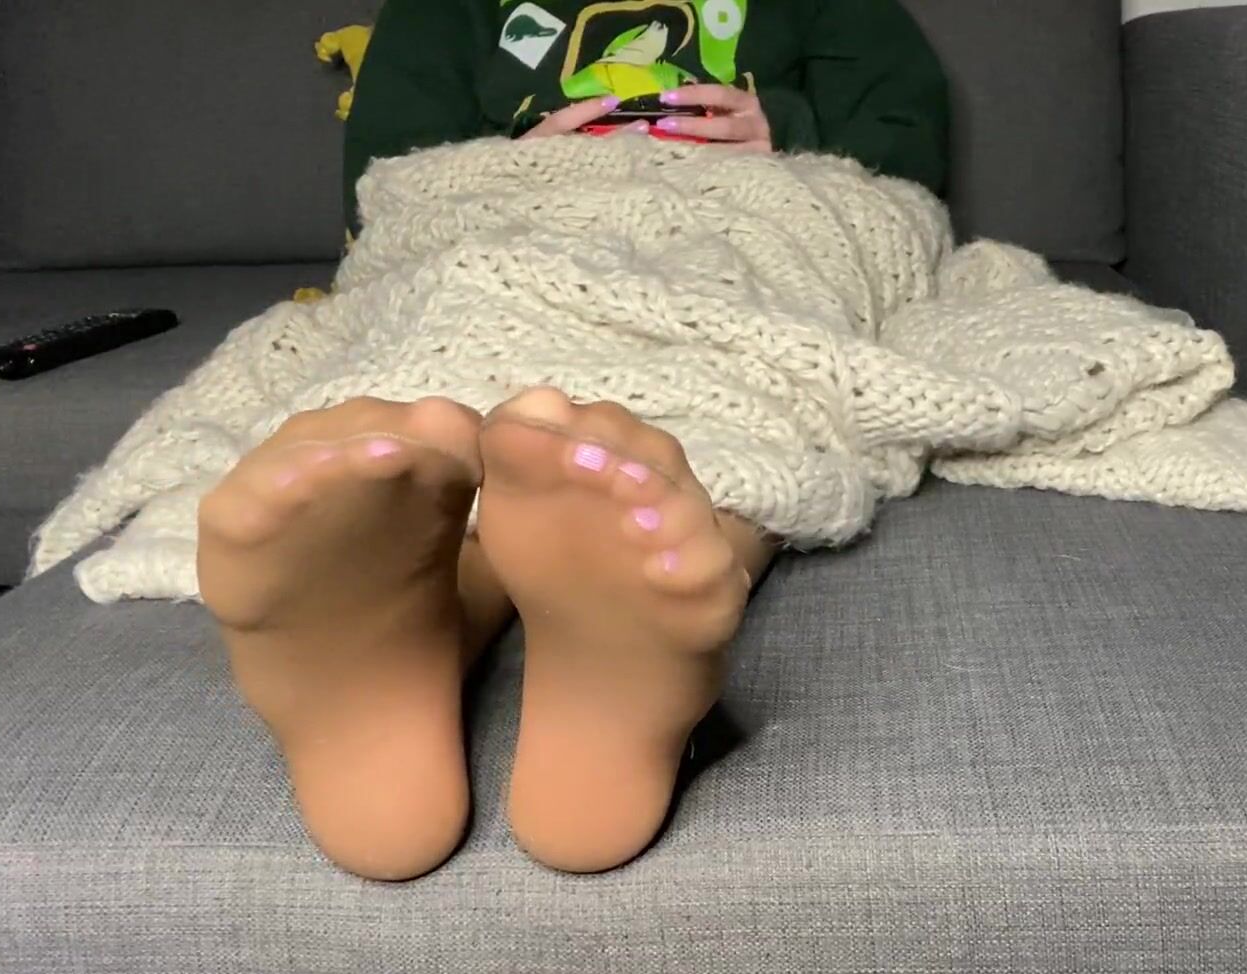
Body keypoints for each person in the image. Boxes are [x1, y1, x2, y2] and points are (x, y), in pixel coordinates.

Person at [198, 0, 949, 881]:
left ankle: (484, 636)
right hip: (518, 216)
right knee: (467, 355)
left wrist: (785, 131)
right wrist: (516, 162)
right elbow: (389, 172)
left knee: (736, 375)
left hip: (753, 213)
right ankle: (417, 628)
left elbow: (905, 153)